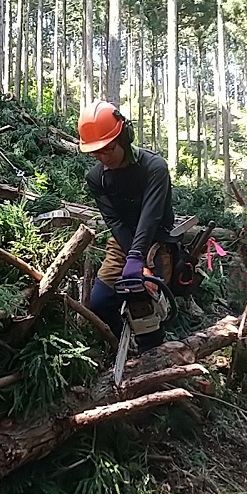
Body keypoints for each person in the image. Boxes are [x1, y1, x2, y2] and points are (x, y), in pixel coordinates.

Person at [77, 100, 178, 353]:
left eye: (108, 149)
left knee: (144, 301)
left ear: (123, 137)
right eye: (96, 153)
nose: (103, 157)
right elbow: (114, 221)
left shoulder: (154, 168)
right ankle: (122, 343)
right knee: (99, 302)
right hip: (122, 243)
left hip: (156, 241)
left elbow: (151, 215)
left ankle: (152, 352)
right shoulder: (97, 177)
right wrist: (131, 255)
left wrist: (139, 258)